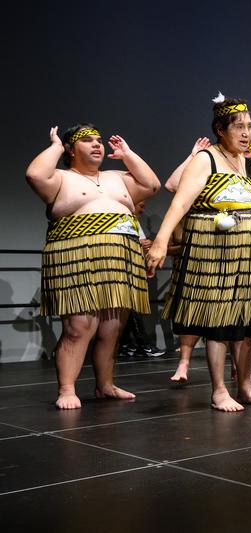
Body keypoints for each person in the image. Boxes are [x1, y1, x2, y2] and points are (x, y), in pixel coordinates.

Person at [147, 93, 251, 412]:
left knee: (247, 325)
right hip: (214, 256)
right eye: (239, 126)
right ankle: (219, 390)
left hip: (247, 259)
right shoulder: (205, 159)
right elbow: (180, 202)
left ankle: (245, 387)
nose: (247, 133)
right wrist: (161, 241)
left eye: (250, 126)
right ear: (221, 129)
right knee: (218, 326)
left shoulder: (250, 168)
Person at [26, 124, 160, 408]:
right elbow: (34, 174)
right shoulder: (60, 178)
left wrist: (127, 154)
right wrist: (55, 146)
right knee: (79, 326)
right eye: (87, 141)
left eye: (99, 140)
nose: (97, 144)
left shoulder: (117, 177)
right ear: (71, 149)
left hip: (120, 256)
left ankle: (106, 385)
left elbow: (152, 185)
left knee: (112, 327)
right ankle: (66, 389)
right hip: (76, 254)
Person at [118, 199, 167, 358]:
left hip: (134, 268)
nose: (143, 209)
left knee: (131, 308)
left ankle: (129, 344)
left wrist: (145, 245)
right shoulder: (119, 220)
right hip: (121, 269)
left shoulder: (135, 222)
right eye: (141, 206)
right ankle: (142, 344)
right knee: (130, 308)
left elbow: (140, 244)